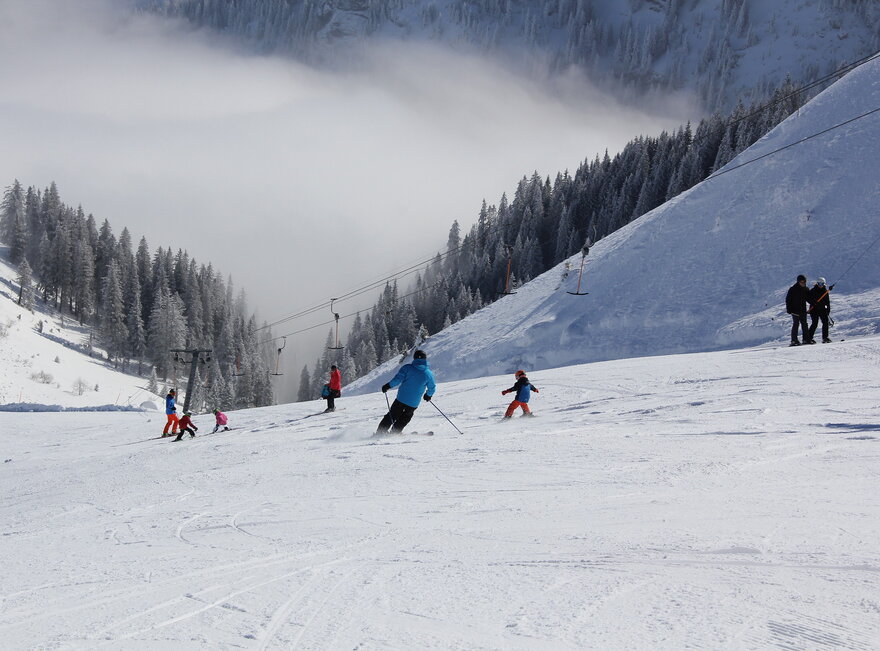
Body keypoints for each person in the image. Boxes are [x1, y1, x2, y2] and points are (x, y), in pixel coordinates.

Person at [376, 349, 436, 434]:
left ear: (414, 358)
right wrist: (428, 395)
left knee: (392, 415)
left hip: (401, 398)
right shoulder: (428, 374)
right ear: (425, 359)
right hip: (413, 402)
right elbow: (432, 387)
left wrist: (388, 386)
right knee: (405, 418)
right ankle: (395, 433)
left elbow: (397, 379)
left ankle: (380, 433)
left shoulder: (407, 368)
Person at [785, 274, 810, 346]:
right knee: (796, 324)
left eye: (804, 282)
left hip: (802, 310)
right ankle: (794, 340)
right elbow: (788, 300)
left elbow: (809, 298)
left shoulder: (806, 289)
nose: (803, 283)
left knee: (804, 324)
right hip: (795, 310)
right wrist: (789, 309)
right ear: (798, 282)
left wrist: (814, 303)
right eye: (802, 282)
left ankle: (806, 339)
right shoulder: (793, 289)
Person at [807, 277, 834, 343]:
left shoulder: (825, 291)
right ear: (817, 283)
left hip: (822, 309)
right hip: (814, 310)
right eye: (819, 284)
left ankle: (825, 338)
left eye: (822, 284)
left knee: (825, 323)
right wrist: (813, 302)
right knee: (814, 323)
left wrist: (828, 310)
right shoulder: (812, 291)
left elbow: (827, 302)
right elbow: (808, 299)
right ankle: (809, 338)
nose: (820, 285)